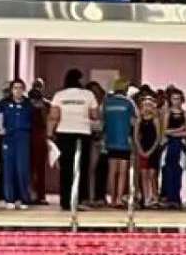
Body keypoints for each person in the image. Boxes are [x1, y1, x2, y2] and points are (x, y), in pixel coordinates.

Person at [49, 69, 99, 210]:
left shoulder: (59, 95)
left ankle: (65, 201)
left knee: (66, 168)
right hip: (83, 133)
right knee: (81, 167)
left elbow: (54, 116)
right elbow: (95, 115)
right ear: (80, 80)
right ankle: (80, 200)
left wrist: (50, 135)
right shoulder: (88, 95)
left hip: (64, 133)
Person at [0, 79, 34, 210]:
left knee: (22, 169)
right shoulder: (4, 103)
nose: (18, 91)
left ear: (23, 90)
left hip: (23, 138)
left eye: (20, 88)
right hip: (9, 138)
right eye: (15, 88)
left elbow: (35, 120)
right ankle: (9, 199)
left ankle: (23, 199)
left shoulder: (28, 104)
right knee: (8, 169)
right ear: (11, 90)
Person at [102, 77, 137, 207]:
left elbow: (102, 120)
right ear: (125, 89)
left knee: (112, 171)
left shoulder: (107, 102)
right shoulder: (129, 102)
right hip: (124, 140)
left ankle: (112, 199)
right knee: (122, 172)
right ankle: (119, 198)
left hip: (110, 140)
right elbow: (135, 120)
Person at [160, 88, 186, 207]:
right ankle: (168, 197)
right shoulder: (168, 113)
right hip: (170, 144)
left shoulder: (185, 114)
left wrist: (175, 133)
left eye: (178, 98)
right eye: (174, 99)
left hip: (180, 145)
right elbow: (165, 131)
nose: (176, 101)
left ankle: (176, 197)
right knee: (168, 170)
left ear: (182, 100)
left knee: (178, 170)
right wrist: (179, 130)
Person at [134, 93, 161, 207]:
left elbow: (158, 137)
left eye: (149, 105)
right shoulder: (139, 120)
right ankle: (146, 198)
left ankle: (155, 197)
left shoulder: (155, 119)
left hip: (153, 148)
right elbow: (136, 137)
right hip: (143, 148)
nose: (147, 107)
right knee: (143, 174)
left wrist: (151, 150)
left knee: (152, 174)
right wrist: (140, 150)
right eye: (145, 105)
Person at [28, 81, 50, 204]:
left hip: (34, 138)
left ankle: (37, 195)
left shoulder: (44, 105)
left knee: (36, 168)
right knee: (36, 169)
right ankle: (36, 195)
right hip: (35, 138)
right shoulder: (44, 105)